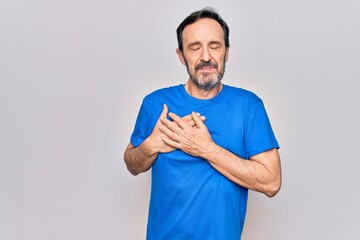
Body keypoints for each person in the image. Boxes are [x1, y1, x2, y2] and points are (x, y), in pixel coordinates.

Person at [124, 7, 282, 240]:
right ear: (181, 55)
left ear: (226, 52)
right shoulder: (155, 103)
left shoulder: (248, 106)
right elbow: (132, 163)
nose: (205, 56)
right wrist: (150, 147)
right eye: (195, 47)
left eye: (215, 46)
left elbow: (271, 181)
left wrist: (205, 149)